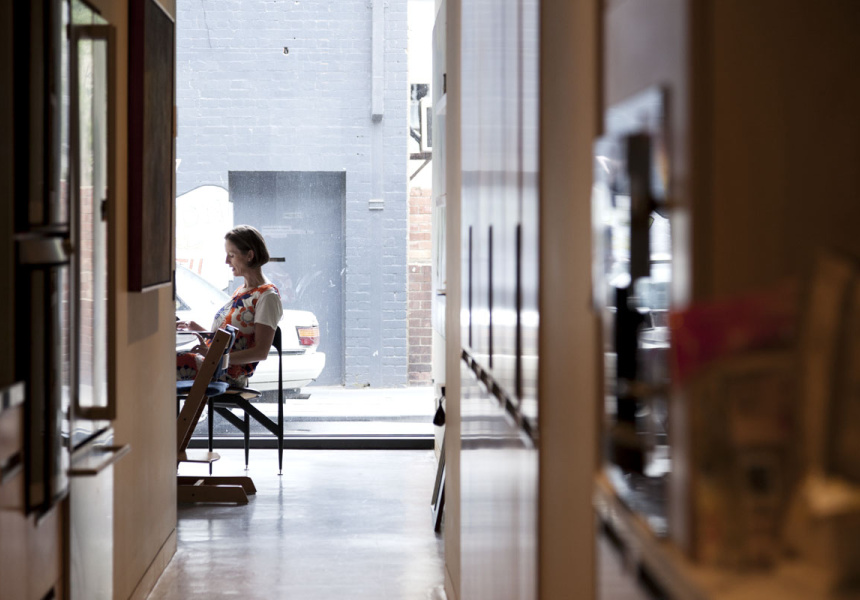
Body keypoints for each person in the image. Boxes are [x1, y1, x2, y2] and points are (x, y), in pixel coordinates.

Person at [176, 225, 284, 387]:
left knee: (169, 363)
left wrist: (216, 358)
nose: (227, 261)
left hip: (229, 374)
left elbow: (261, 352)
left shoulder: (267, 297)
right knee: (168, 359)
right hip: (215, 365)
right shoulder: (241, 291)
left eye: (231, 255)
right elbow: (228, 340)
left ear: (250, 255)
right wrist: (196, 327)